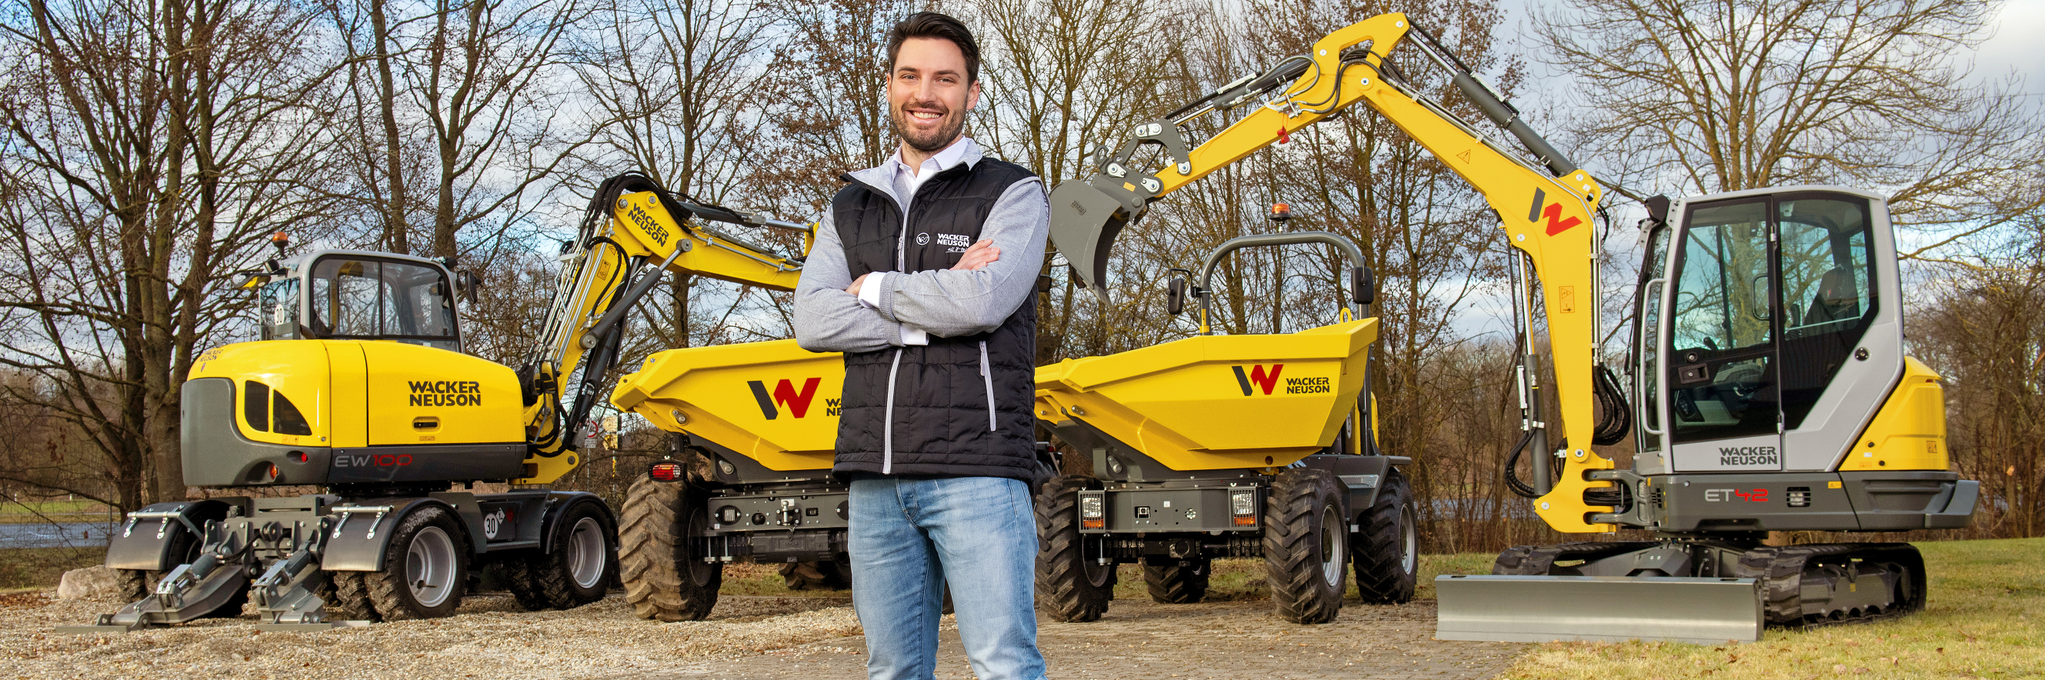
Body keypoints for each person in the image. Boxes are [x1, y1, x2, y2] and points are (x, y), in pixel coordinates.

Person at [791, 11, 1051, 680]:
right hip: (876, 480)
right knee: (891, 670)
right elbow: (815, 321)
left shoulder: (1012, 192)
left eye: (944, 78)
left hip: (978, 471)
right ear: (887, 85)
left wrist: (872, 285)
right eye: (910, 75)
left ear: (971, 92)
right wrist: (922, 312)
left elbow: (984, 301)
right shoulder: (849, 204)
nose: (924, 93)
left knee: (1002, 663)